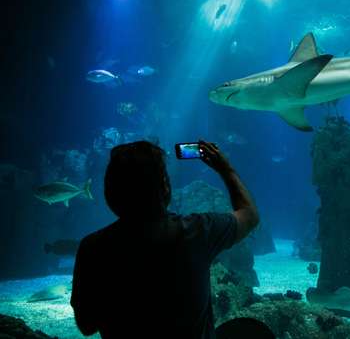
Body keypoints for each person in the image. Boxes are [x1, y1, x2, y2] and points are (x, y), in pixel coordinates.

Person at [70, 140, 260, 338]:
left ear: (110, 192)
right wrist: (225, 169)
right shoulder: (198, 231)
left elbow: (87, 325)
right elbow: (250, 215)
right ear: (165, 187)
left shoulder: (93, 248)